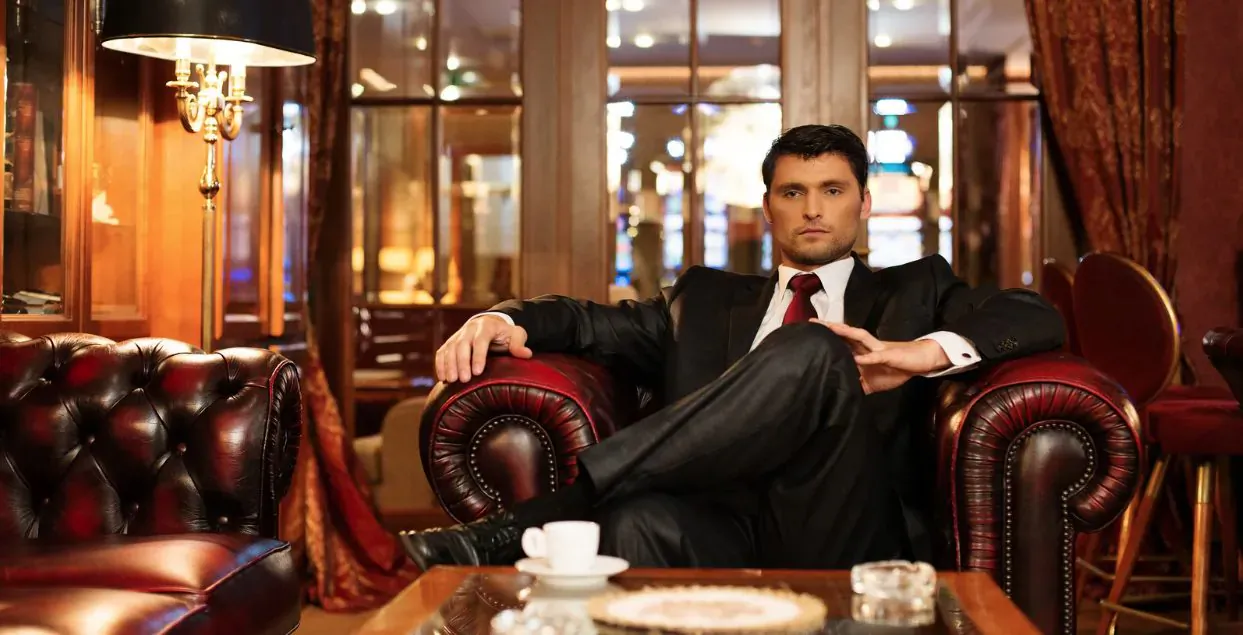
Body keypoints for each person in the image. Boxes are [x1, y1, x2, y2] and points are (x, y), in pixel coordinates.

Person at [400, 124, 1064, 571]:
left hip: (843, 523)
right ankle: (576, 514)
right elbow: (582, 322)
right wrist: (499, 316)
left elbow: (1034, 315)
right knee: (633, 523)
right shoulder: (702, 300)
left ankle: (538, 520)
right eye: (793, 192)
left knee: (814, 347)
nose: (812, 209)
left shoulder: (915, 290)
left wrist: (926, 351)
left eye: (832, 191)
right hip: (715, 521)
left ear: (863, 204)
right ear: (768, 207)